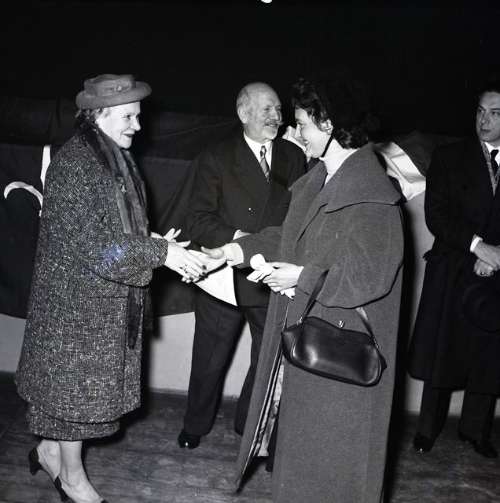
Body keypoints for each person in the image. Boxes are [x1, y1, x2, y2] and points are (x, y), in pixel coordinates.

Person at [206, 72, 404, 503]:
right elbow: (289, 236)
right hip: (310, 349)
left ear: (329, 124)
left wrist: (301, 278)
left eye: (302, 124)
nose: (294, 133)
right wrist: (232, 251)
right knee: (301, 465)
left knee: (331, 473)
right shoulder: (319, 179)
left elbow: (368, 275)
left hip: (341, 361)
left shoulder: (374, 196)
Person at [15, 74, 211, 503]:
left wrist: (156, 243)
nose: (137, 126)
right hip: (75, 307)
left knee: (71, 398)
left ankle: (48, 452)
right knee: (72, 402)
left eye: (138, 116)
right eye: (128, 117)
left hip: (96, 302)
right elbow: (97, 246)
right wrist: (161, 253)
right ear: (97, 115)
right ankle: (71, 479)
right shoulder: (76, 164)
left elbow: (115, 231)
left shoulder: (111, 156)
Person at [177, 82, 306, 449]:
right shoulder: (216, 157)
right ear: (243, 113)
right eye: (267, 109)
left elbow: (298, 219)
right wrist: (243, 241)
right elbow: (197, 220)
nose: (276, 117)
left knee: (266, 359)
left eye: (278, 109)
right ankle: (195, 424)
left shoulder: (294, 156)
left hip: (271, 277)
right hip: (224, 277)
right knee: (209, 358)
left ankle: (248, 427)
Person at [408, 79, 500, 459]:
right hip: (453, 269)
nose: (484, 120)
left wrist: (497, 257)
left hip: (497, 274)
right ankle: (426, 430)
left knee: (490, 354)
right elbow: (437, 216)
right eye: (480, 111)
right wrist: (479, 247)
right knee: (441, 353)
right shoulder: (449, 157)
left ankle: (475, 430)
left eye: (495, 113)